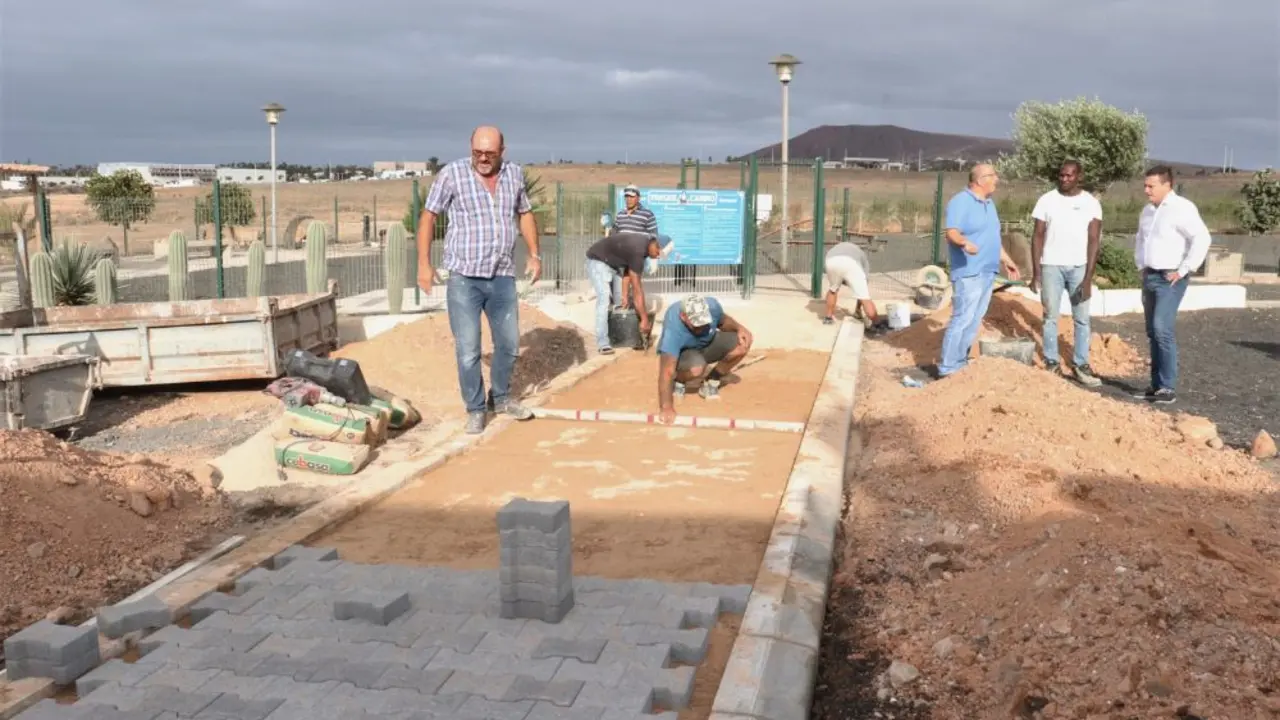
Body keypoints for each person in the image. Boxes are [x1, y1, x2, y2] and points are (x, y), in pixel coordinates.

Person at [416, 125, 541, 434]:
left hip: (502, 276)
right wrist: (423, 263)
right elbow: (429, 215)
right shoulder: (452, 174)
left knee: (510, 345)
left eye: (490, 153)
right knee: (469, 349)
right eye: (477, 153)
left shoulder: (514, 174)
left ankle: (499, 398)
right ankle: (475, 409)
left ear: (503, 151)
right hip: (464, 279)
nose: (483, 159)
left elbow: (524, 213)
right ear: (470, 148)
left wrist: (535, 253)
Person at [1130, 165, 1212, 405]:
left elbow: (1201, 237)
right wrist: (1141, 266)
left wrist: (1185, 269)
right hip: (1150, 276)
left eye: (1151, 186)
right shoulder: (1147, 211)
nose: (1146, 190)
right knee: (1151, 331)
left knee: (1162, 328)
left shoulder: (1182, 209)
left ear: (1167, 185)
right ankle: (1156, 386)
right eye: (1145, 185)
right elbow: (1140, 239)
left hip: (1170, 279)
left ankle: (1167, 386)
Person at [936, 163, 1022, 378]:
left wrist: (1006, 259)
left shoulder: (989, 204)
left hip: (988, 271)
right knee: (962, 318)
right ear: (981, 179)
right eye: (993, 176)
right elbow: (952, 232)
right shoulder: (960, 202)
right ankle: (948, 367)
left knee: (975, 319)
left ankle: (960, 361)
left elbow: (992, 237)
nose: (997, 180)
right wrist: (964, 243)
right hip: (969, 272)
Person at [1028, 160, 1104, 387]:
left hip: (1079, 267)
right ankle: (1052, 361)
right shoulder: (1046, 200)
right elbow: (1038, 235)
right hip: (1051, 266)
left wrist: (1088, 278)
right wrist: (1036, 272)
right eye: (1062, 175)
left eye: (1070, 176)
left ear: (1079, 177)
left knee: (1081, 318)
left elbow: (1094, 240)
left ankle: (1081, 364)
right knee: (1050, 316)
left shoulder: (1091, 203)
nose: (1064, 179)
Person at [655, 294, 753, 423]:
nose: (701, 327)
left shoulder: (712, 306)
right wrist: (666, 407)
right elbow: (667, 371)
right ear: (683, 317)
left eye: (704, 321)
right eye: (696, 323)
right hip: (686, 353)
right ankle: (680, 380)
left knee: (742, 344)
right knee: (696, 368)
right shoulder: (673, 325)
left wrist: (739, 328)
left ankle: (711, 381)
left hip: (708, 344)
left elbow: (723, 321)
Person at [584, 231, 668, 354]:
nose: (658, 256)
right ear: (656, 245)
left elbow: (629, 272)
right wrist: (644, 319)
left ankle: (621, 337)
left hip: (613, 264)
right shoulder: (638, 249)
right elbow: (637, 288)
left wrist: (623, 295)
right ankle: (603, 343)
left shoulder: (644, 247)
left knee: (621, 302)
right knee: (604, 298)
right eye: (658, 253)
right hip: (598, 261)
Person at [821, 240, 882, 327]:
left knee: (833, 289)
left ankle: (828, 318)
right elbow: (864, 282)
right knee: (864, 297)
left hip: (831, 261)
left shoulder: (840, 247)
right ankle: (877, 324)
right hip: (851, 263)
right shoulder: (862, 257)